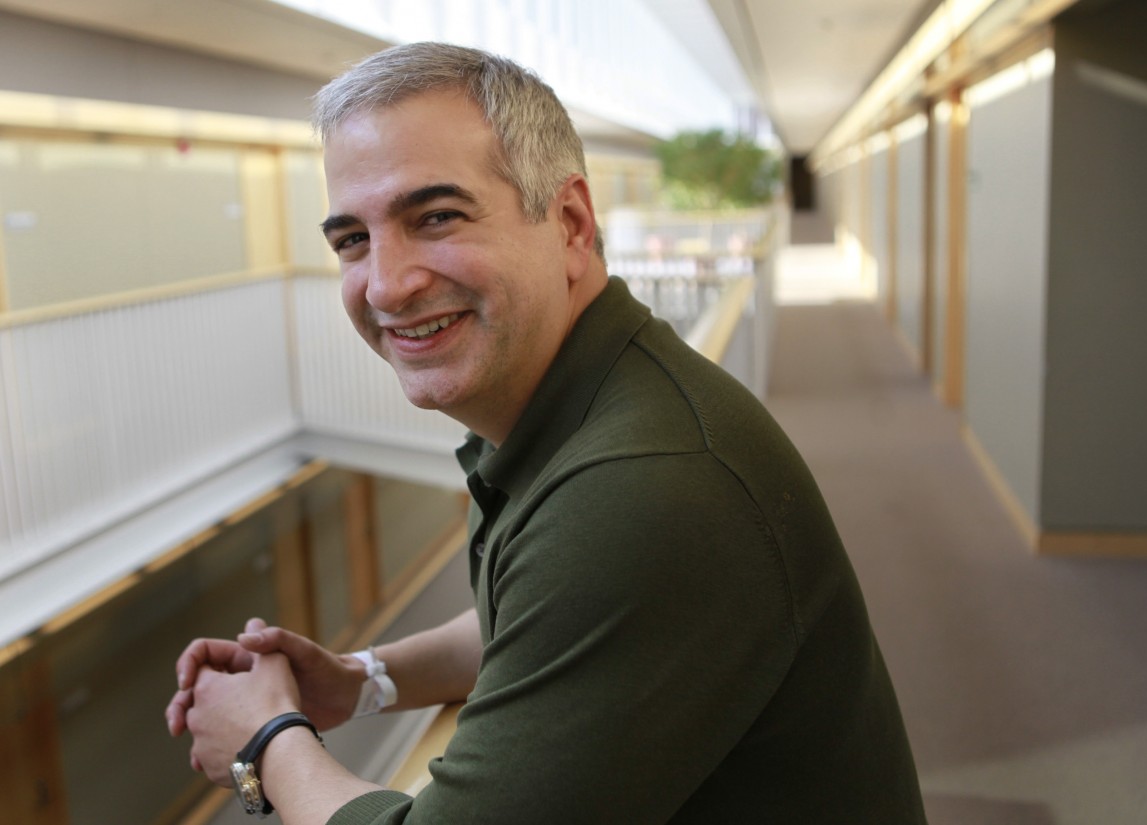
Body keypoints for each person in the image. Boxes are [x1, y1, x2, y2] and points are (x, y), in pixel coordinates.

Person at [166, 42, 927, 824]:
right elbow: (537, 624)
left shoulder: (640, 487)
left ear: (568, 223)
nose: (388, 283)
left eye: (435, 216)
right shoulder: (567, 404)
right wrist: (360, 677)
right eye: (353, 239)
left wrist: (266, 741)